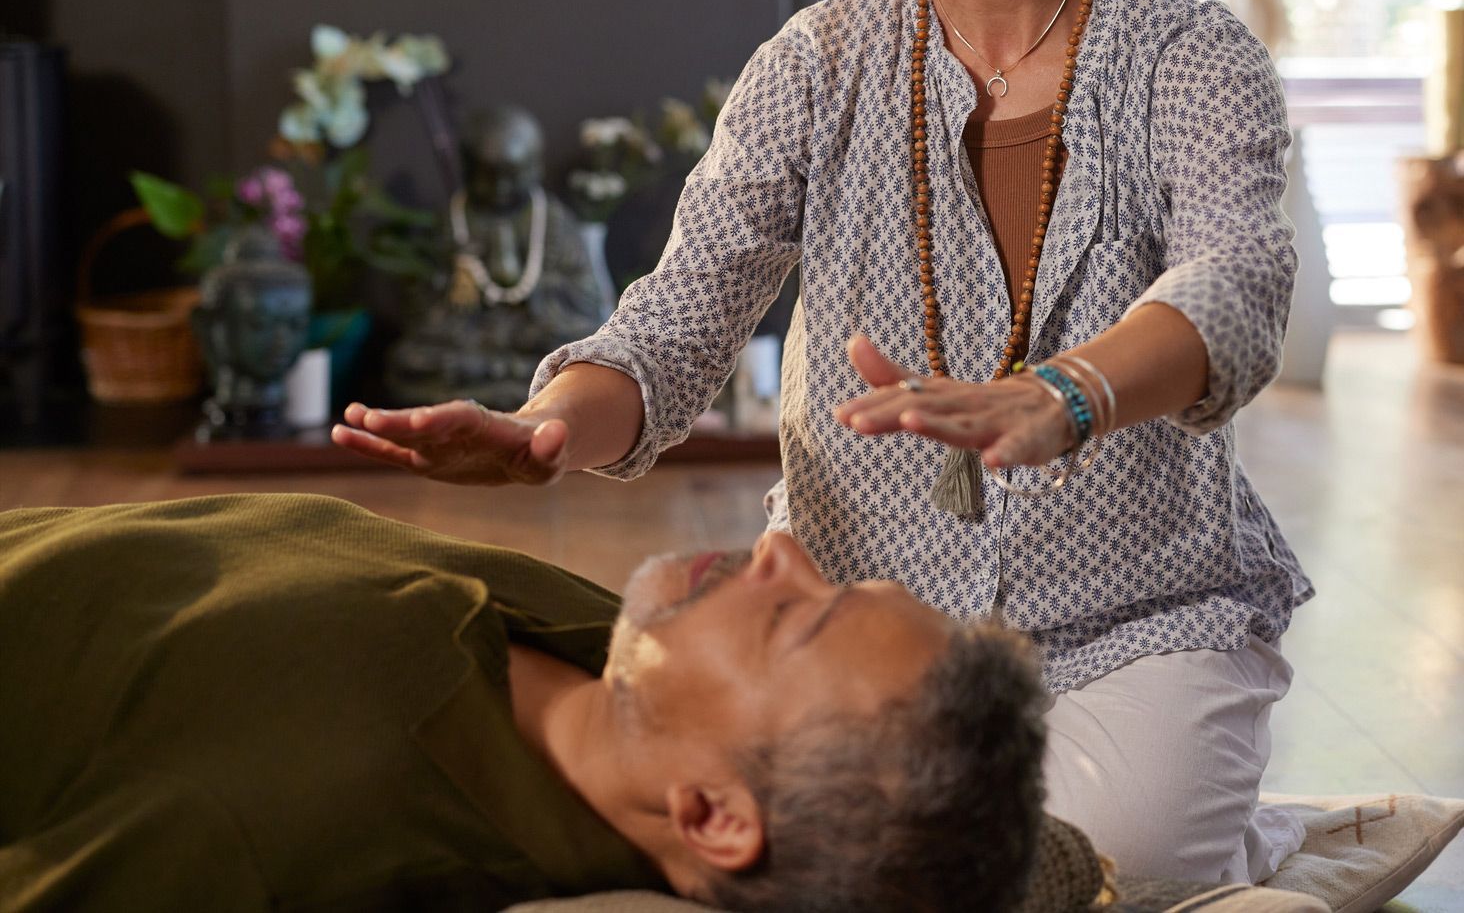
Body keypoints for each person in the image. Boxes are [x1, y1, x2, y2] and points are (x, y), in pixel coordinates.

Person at [333, 0, 1313, 884]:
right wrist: (545, 427)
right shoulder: (816, 60)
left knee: (1117, 855)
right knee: (799, 846)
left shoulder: (1188, 52)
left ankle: (1223, 827)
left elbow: (1239, 274)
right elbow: (677, 318)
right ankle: (1209, 824)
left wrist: (1076, 391)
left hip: (1136, 618)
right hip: (845, 633)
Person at [0, 494, 1046, 913]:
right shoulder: (621, 658)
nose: (781, 550)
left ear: (715, 817)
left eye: (793, 619)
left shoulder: (306, 811)